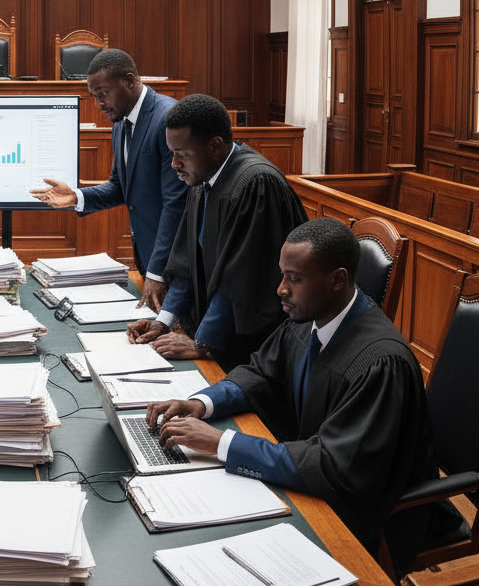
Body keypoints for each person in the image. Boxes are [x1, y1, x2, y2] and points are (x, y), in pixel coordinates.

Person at [144, 217, 435, 571]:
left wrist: (222, 444)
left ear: (337, 280)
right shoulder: (312, 317)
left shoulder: (380, 362)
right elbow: (258, 373)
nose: (281, 289)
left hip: (370, 516)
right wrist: (201, 403)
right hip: (309, 480)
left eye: (294, 279)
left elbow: (335, 467)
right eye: (283, 275)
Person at [127, 93, 307, 370]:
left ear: (215, 145)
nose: (174, 163)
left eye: (182, 154)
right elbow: (188, 260)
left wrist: (203, 343)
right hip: (217, 332)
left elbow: (241, 281)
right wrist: (164, 321)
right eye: (172, 153)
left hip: (256, 350)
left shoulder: (256, 184)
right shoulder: (203, 176)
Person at [30, 49, 186, 310]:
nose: (98, 104)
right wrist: (77, 197)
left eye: (103, 94)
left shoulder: (167, 118)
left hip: (174, 264)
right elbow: (119, 187)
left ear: (130, 81)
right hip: (149, 259)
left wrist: (157, 273)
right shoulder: (121, 122)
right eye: (94, 96)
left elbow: (176, 205)